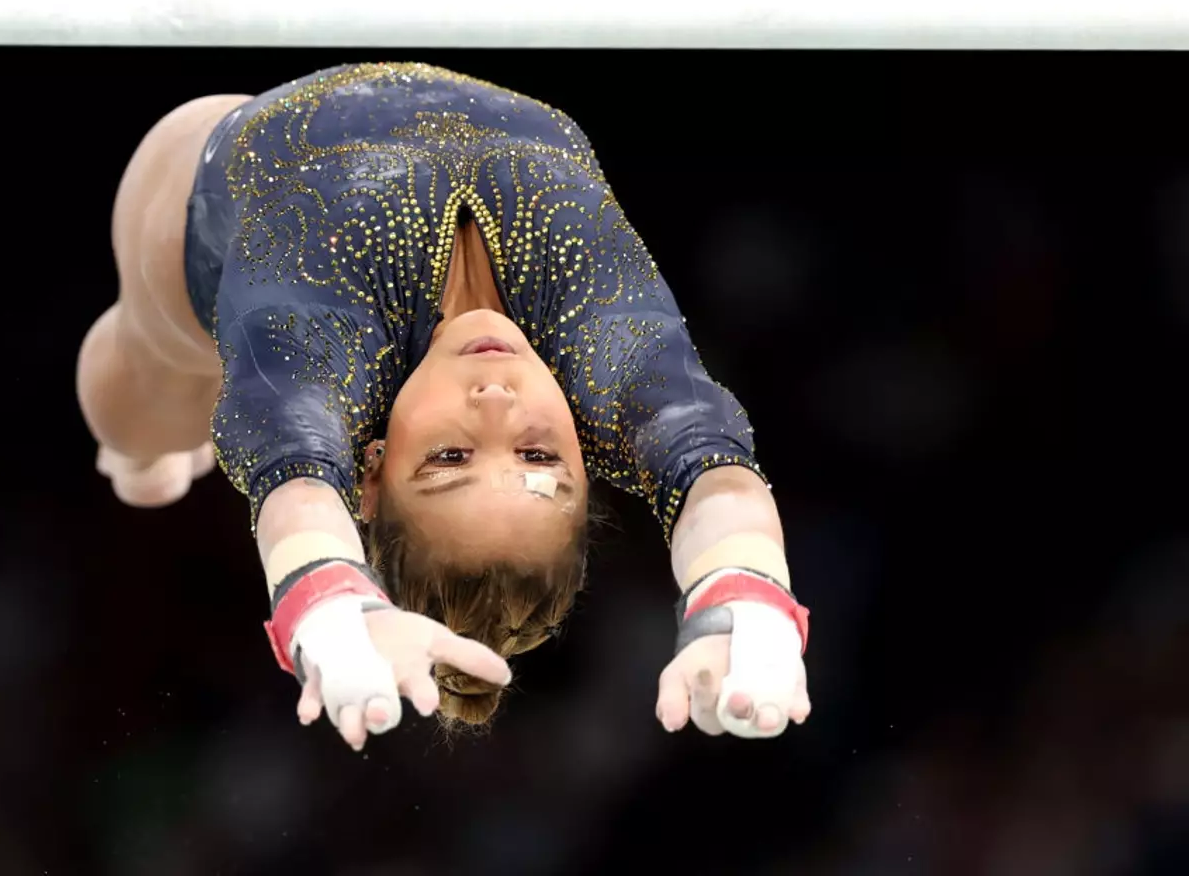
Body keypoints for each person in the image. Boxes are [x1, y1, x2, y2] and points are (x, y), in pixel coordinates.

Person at [76, 62, 812, 750]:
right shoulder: (606, 353)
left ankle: (140, 457)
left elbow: (296, 483)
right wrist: (744, 596)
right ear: (591, 454)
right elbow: (715, 474)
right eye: (537, 454)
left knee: (144, 415)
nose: (496, 403)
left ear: (368, 471)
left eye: (449, 458)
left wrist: (327, 601)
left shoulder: (326, 341)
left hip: (190, 218)